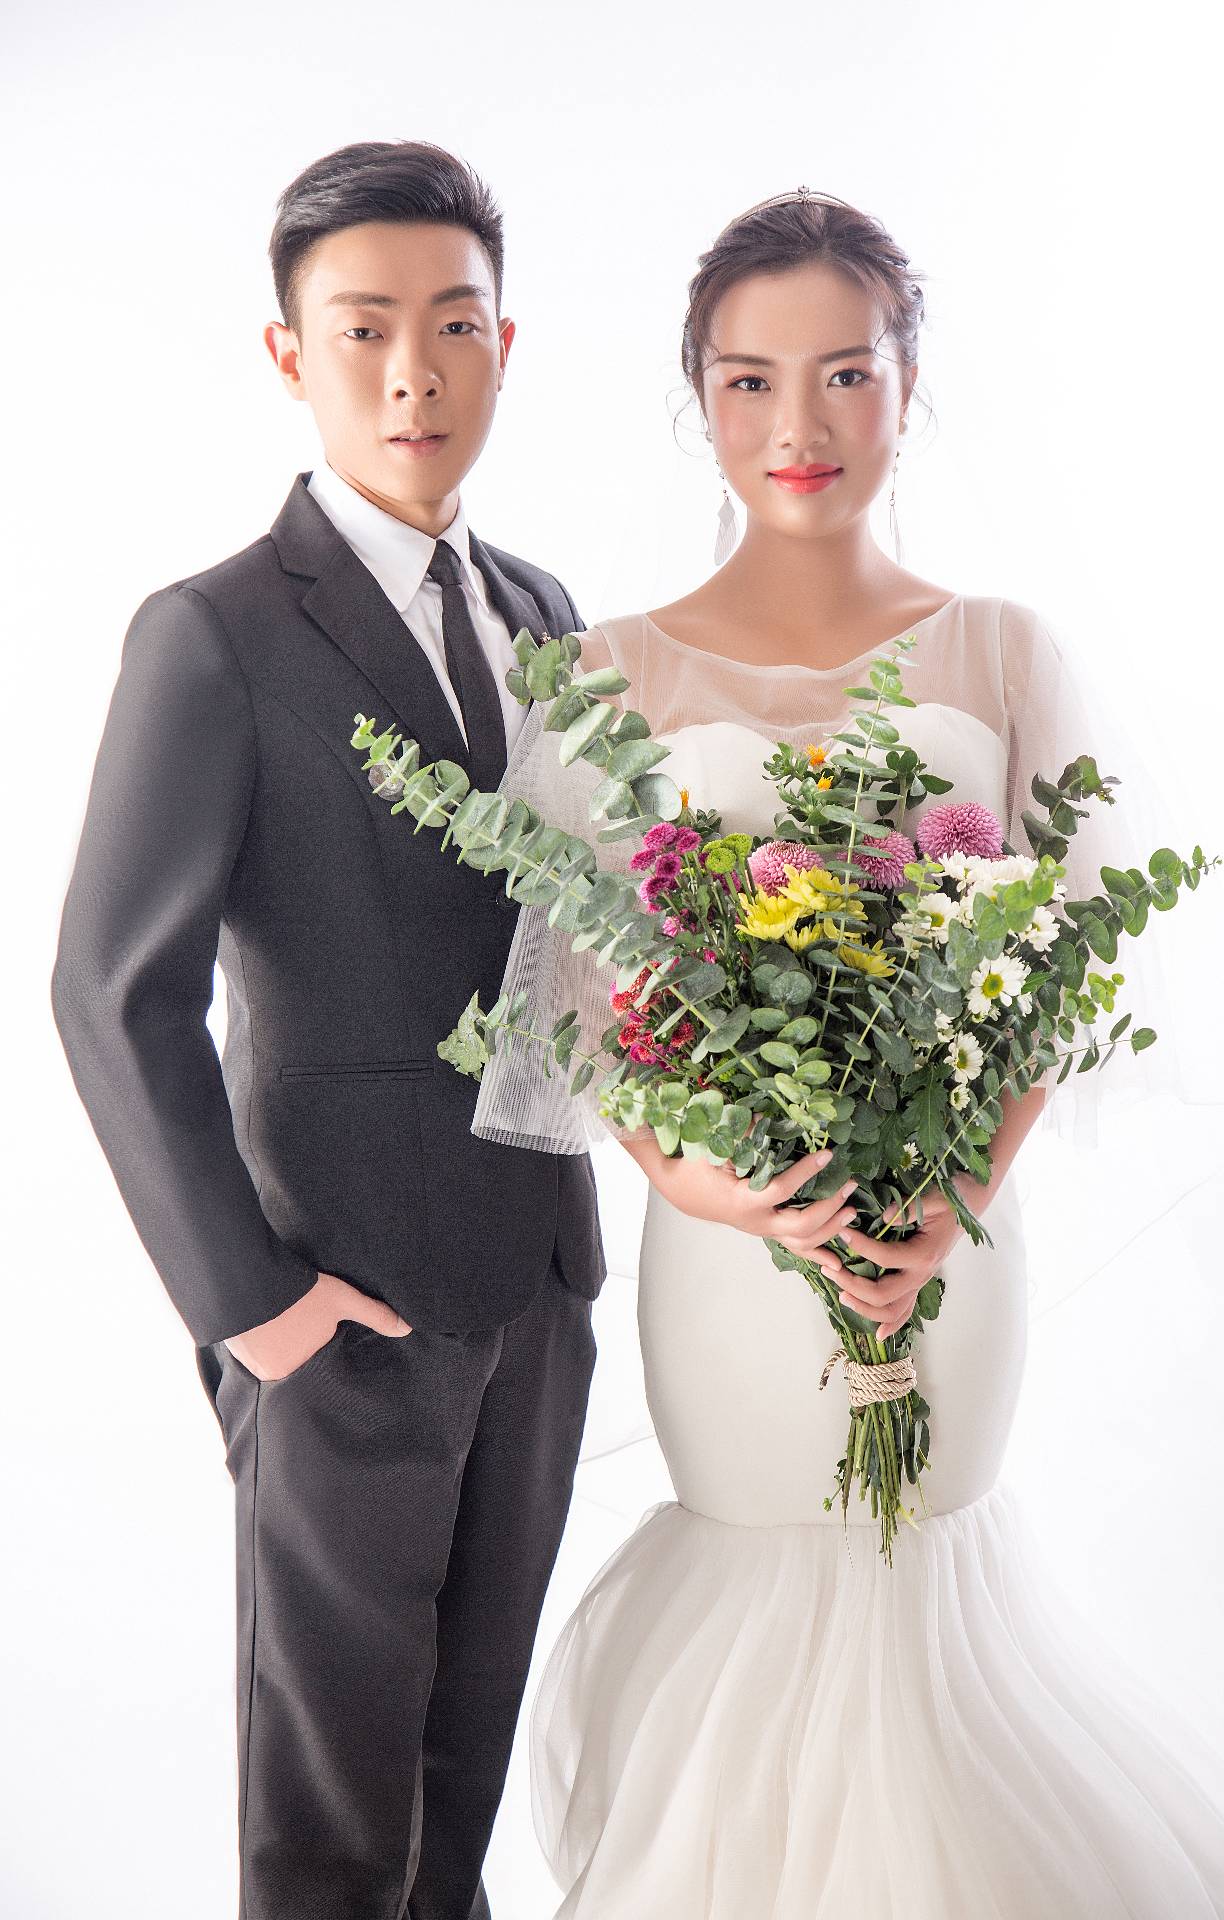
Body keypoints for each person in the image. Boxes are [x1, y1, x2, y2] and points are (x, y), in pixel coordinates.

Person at [475, 192, 1224, 1916]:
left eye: (847, 373)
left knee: (921, 1600)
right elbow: (580, 1012)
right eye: (752, 380)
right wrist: (715, 1187)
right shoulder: (603, 672)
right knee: (762, 1579)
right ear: (698, 394)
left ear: (910, 384)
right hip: (724, 1256)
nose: (801, 425)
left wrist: (951, 1196)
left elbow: (1064, 971)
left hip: (948, 1252)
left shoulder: (1002, 650)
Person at [50, 140, 604, 1920]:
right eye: (364, 330)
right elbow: (109, 987)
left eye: (455, 325)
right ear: (291, 355)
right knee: (331, 1825)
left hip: (539, 1287)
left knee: (461, 1788)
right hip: (335, 1308)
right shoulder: (211, 634)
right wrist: (253, 1309)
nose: (412, 374)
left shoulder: (545, 611)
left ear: (507, 344)